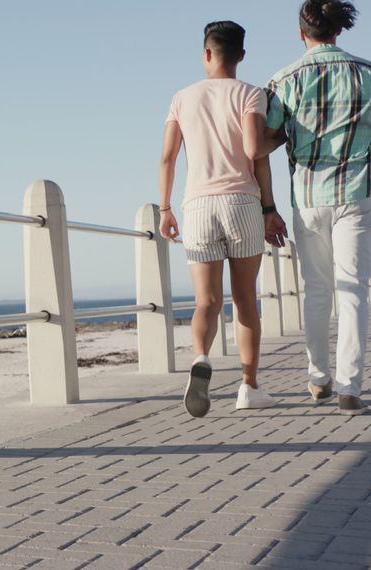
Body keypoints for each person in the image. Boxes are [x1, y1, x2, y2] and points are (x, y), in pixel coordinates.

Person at [158, 21, 288, 418]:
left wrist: (165, 208)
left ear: (206, 53)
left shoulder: (182, 97)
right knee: (246, 299)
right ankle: (249, 386)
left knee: (207, 301)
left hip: (197, 207)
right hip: (242, 205)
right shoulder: (251, 93)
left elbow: (168, 157)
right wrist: (270, 206)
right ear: (242, 56)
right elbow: (255, 152)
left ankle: (201, 356)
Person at [264, 0, 371, 416]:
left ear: (301, 32)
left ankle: (318, 376)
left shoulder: (284, 79)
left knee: (318, 288)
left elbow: (264, 141)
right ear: (338, 31)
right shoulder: (367, 73)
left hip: (308, 197)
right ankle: (350, 387)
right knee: (354, 289)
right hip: (358, 193)